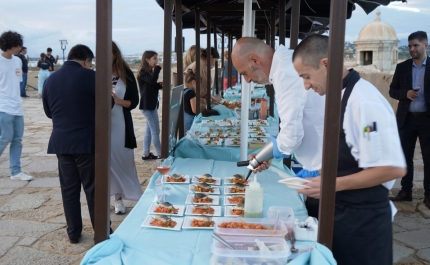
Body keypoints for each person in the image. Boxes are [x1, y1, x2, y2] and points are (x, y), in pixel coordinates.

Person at [292, 34, 406, 265]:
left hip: (362, 225)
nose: (305, 85)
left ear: (325, 64)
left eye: (306, 76)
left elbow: (392, 168)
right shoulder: (339, 96)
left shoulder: (363, 101)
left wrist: (332, 184)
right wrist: (321, 174)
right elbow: (351, 155)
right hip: (342, 215)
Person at [42, 44, 110, 244]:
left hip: (61, 142)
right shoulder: (90, 76)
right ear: (86, 61)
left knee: (69, 190)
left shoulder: (50, 79)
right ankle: (101, 231)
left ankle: (73, 232)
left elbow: (48, 112)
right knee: (93, 188)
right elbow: (107, 105)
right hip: (86, 142)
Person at [389, 31, 430, 209]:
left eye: (416, 45)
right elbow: (392, 91)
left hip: (427, 120)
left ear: (425, 46)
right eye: (410, 46)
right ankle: (406, 191)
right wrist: (405, 94)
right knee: (405, 157)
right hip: (406, 120)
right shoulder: (402, 67)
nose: (412, 49)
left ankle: (429, 195)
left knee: (429, 159)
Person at [110, 41, 143, 214]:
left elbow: (134, 102)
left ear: (115, 54)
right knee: (105, 163)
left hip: (121, 125)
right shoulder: (95, 73)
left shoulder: (126, 73)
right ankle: (114, 198)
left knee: (124, 161)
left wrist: (118, 101)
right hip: (102, 125)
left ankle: (126, 197)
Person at [0, 31, 33, 181]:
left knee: (17, 139)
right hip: (3, 107)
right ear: (9, 45)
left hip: (17, 107)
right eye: (17, 45)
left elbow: (17, 83)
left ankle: (16, 171)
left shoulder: (18, 61)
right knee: (5, 138)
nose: (19, 48)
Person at [137, 51, 163, 160]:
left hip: (150, 104)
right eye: (154, 59)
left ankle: (146, 153)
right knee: (155, 130)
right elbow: (151, 82)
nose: (156, 61)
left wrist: (159, 85)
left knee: (149, 130)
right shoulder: (143, 71)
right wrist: (157, 70)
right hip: (147, 105)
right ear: (147, 59)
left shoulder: (147, 72)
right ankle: (160, 154)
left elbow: (150, 86)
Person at [185, 47, 222, 112]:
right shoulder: (200, 66)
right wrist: (213, 98)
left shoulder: (201, 64)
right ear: (210, 57)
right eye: (214, 60)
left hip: (195, 102)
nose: (214, 64)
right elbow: (201, 90)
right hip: (195, 104)